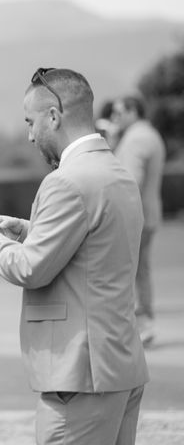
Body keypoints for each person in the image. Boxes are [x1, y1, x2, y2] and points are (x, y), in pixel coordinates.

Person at [0, 68, 149, 444]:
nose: (29, 135)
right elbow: (94, 247)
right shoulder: (115, 171)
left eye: (31, 122)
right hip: (120, 364)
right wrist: (28, 230)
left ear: (54, 116)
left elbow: (30, 269)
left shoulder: (64, 180)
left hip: (80, 375)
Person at [111, 95, 166, 346]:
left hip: (136, 217)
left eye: (119, 113)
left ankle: (140, 324)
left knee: (129, 271)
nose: (115, 118)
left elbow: (129, 181)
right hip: (151, 212)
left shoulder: (135, 139)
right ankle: (145, 323)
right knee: (141, 270)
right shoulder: (152, 135)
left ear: (133, 111)